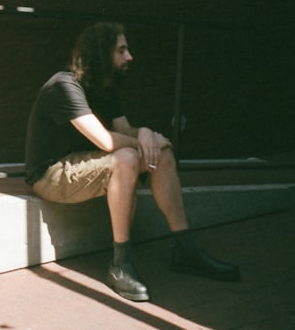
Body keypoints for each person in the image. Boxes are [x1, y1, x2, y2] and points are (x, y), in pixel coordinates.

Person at [24, 22, 240, 302]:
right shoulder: (64, 86)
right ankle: (120, 263)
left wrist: (148, 133)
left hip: (86, 162)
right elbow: (105, 141)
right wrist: (142, 141)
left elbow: (125, 131)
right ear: (101, 53)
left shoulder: (104, 86)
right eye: (121, 50)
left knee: (161, 154)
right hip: (51, 174)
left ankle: (185, 249)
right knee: (125, 157)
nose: (130, 57)